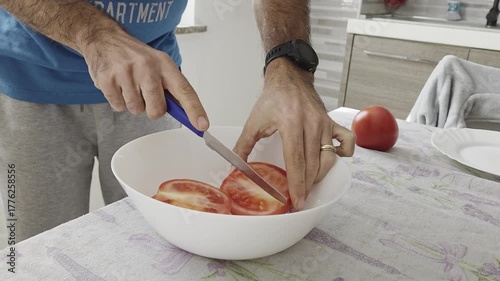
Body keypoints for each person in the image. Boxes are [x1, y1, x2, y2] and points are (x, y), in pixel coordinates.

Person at [0, 0, 355, 242]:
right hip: (29, 85)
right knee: (34, 244)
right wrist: (94, 34)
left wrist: (288, 63)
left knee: (151, 242)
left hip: (155, 94)